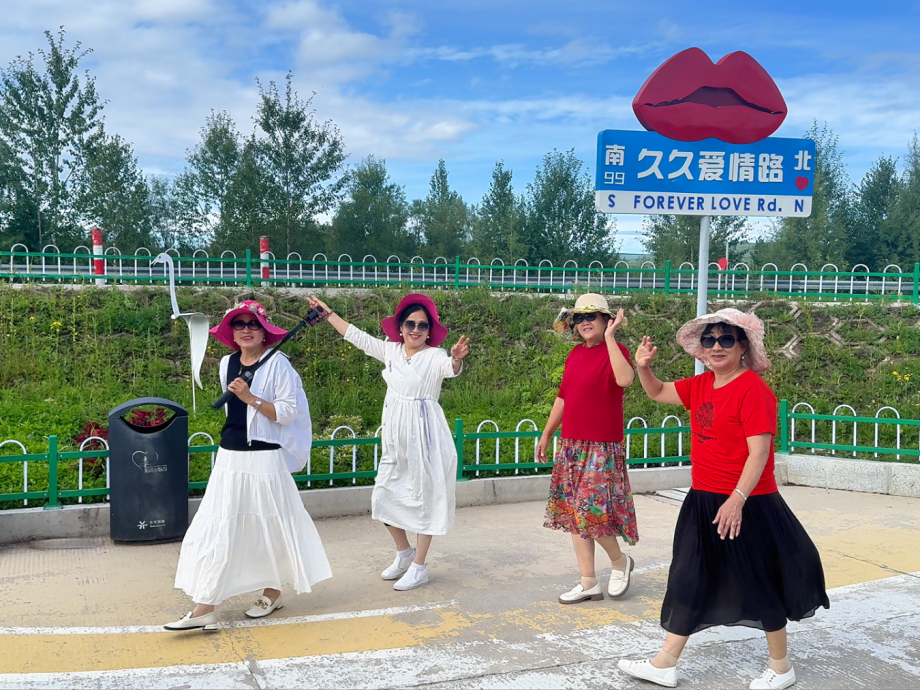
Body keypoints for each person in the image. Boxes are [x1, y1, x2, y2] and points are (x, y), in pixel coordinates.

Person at [618, 308, 829, 689]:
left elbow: (759, 453)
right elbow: (657, 391)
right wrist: (643, 367)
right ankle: (665, 662)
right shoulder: (701, 384)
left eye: (726, 339)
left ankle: (781, 667)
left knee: (759, 582)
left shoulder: (753, 389)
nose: (717, 346)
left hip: (747, 503)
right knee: (689, 576)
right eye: (710, 339)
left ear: (743, 346)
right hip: (703, 499)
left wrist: (737, 499)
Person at [165, 300, 332, 631]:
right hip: (230, 456)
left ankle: (272, 591)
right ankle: (206, 605)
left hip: (265, 459)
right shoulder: (226, 363)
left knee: (271, 526)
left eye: (253, 324)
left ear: (264, 330)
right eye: (239, 324)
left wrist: (250, 397)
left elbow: (287, 413)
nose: (246, 330)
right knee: (219, 529)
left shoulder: (279, 365)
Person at [307, 293, 470, 591]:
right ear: (401, 327)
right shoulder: (390, 350)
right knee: (383, 495)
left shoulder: (435, 356)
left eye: (422, 325)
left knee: (426, 498)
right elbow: (356, 336)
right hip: (396, 437)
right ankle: (404, 552)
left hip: (426, 437)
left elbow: (450, 369)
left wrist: (457, 359)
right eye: (410, 324)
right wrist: (328, 314)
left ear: (429, 331)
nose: (416, 330)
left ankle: (420, 566)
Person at [537, 293, 638, 604]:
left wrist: (610, 338)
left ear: (607, 320)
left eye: (591, 316)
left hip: (601, 446)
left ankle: (620, 562)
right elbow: (563, 397)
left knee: (588, 513)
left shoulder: (616, 350)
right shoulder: (575, 355)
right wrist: (547, 433)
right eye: (579, 318)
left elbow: (625, 379)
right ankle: (588, 582)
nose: (583, 322)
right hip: (572, 446)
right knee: (574, 514)